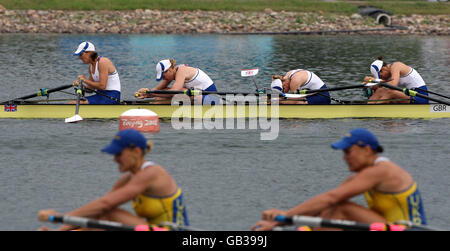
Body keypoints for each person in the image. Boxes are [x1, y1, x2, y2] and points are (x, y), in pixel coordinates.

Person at [251, 128, 426, 231]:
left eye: (348, 152)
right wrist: (284, 215)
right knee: (333, 209)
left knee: (341, 208)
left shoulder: (382, 171)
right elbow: (326, 204)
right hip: (388, 227)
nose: (344, 158)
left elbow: (332, 198)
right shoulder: (361, 177)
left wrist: (283, 218)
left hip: (409, 229)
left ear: (366, 149)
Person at [38, 129, 189, 231]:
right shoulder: (127, 179)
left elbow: (105, 205)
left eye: (118, 154)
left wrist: (58, 218)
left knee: (110, 214)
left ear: (136, 151)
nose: (115, 159)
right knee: (100, 216)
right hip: (150, 228)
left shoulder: (152, 173)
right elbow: (96, 210)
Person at [135, 58, 219, 105]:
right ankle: (157, 106)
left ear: (171, 69)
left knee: (179, 92)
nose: (164, 78)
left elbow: (174, 92)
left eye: (164, 75)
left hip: (211, 98)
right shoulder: (171, 74)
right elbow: (156, 90)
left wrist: (151, 93)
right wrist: (146, 93)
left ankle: (158, 106)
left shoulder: (181, 71)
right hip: (198, 95)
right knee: (159, 97)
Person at [363, 56, 429, 104]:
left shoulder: (396, 66)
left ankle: (374, 110)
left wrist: (375, 80)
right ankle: (369, 106)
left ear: (383, 69)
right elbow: (378, 87)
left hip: (421, 96)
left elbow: (393, 86)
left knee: (391, 93)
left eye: (381, 76)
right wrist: (367, 84)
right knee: (380, 90)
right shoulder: (388, 74)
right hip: (410, 94)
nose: (382, 78)